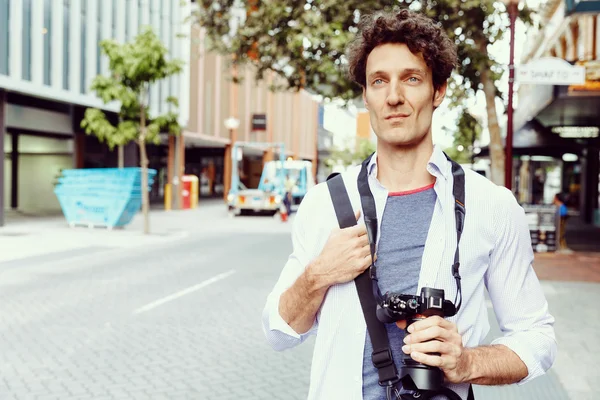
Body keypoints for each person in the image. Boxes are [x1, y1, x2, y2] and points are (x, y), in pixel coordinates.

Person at [262, 9, 556, 400]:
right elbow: (279, 331)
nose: (394, 97)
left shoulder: (492, 206)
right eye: (379, 81)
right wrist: (318, 274)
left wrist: (467, 362)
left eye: (411, 79)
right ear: (365, 95)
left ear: (438, 90)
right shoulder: (325, 203)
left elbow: (538, 337)